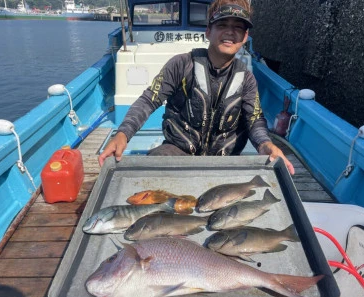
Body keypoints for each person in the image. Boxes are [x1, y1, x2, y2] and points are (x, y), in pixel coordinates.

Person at [99, 0, 295, 175]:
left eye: (237, 27)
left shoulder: (247, 79)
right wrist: (123, 134)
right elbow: (149, 100)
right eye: (222, 25)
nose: (229, 31)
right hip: (177, 152)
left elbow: (255, 120)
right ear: (208, 31)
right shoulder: (181, 64)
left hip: (225, 163)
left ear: (245, 37)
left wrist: (265, 144)